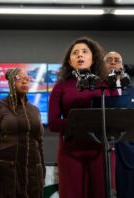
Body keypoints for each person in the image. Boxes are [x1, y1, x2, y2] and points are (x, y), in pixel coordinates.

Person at [48, 37, 118, 198]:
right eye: (75, 53)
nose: (80, 55)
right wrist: (80, 123)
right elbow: (52, 123)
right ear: (70, 61)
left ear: (93, 58)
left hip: (101, 149)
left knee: (101, 193)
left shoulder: (107, 85)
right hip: (71, 150)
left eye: (85, 52)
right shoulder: (61, 87)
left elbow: (115, 115)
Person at [0, 68, 45, 198]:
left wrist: (42, 170)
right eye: (19, 78)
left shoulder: (34, 110)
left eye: (27, 79)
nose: (24, 82)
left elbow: (39, 142)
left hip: (33, 171)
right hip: (6, 171)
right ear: (11, 82)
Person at [104, 51, 134, 198]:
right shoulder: (94, 90)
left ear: (122, 66)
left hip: (128, 154)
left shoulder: (132, 91)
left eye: (117, 60)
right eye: (109, 60)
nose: (113, 62)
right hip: (101, 153)